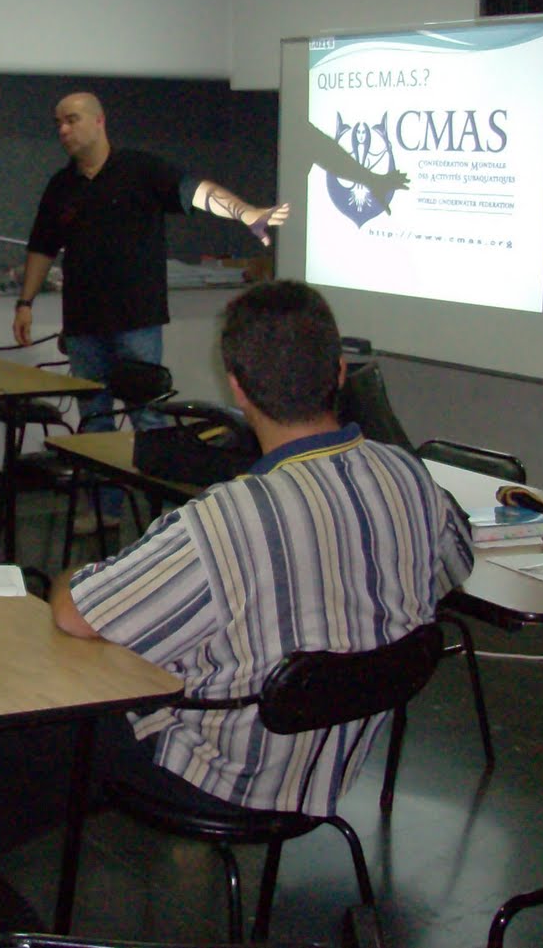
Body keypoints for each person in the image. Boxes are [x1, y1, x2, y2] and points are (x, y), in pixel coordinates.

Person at [51, 280, 474, 817]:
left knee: (37, 722)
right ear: (341, 373)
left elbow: (78, 616)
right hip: (335, 769)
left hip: (223, 776)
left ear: (238, 390)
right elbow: (453, 568)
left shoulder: (227, 516)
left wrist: (67, 577)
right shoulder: (411, 478)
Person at [13, 92, 290, 532]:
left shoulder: (141, 170)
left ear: (100, 121)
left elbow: (194, 193)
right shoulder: (61, 186)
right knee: (95, 421)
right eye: (58, 123)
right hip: (83, 323)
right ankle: (105, 509)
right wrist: (25, 302)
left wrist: (245, 213)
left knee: (147, 415)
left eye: (72, 120)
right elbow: (42, 247)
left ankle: (165, 514)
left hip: (136, 320)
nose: (63, 130)